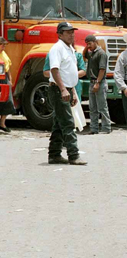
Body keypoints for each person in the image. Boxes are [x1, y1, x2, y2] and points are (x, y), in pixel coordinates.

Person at [46, 22, 87, 165]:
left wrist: (73, 91)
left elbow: (70, 73)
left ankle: (54, 154)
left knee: (59, 123)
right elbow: (54, 70)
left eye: (72, 32)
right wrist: (63, 89)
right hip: (58, 89)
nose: (71, 34)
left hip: (67, 89)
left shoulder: (69, 49)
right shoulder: (57, 48)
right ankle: (73, 155)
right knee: (68, 123)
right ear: (59, 34)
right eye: (68, 32)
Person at [84, 34, 111, 134]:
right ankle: (94, 128)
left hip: (99, 82)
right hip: (92, 82)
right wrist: (87, 47)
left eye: (90, 43)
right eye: (87, 44)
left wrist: (98, 83)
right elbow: (84, 55)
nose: (88, 46)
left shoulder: (101, 54)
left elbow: (102, 69)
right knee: (92, 107)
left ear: (95, 42)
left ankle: (106, 128)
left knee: (102, 107)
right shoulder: (91, 53)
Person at [0, 38, 15, 133]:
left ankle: (2, 123)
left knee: (7, 100)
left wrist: (10, 79)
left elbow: (8, 67)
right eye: (2, 45)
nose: (4, 47)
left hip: (4, 78)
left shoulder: (4, 54)